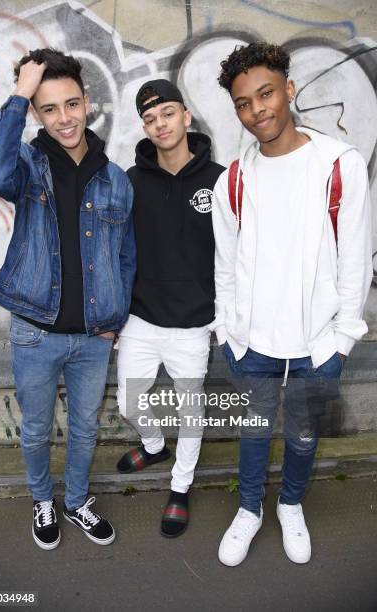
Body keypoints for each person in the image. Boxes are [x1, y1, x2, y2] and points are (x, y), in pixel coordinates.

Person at [212, 42, 372, 565]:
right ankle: (250, 509)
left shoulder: (339, 166)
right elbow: (226, 266)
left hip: (318, 344)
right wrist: (226, 333)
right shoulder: (231, 181)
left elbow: (354, 260)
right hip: (251, 342)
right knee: (254, 433)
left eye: (266, 93)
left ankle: (291, 504)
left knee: (304, 438)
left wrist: (342, 342)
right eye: (244, 102)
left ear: (289, 90)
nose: (258, 109)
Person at [0, 48, 135, 550]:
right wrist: (20, 92)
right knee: (38, 428)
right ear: (37, 114)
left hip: (92, 336)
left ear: (87, 103)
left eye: (71, 104)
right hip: (35, 330)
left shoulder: (115, 178)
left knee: (85, 430)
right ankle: (43, 499)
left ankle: (77, 501)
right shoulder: (26, 162)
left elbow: (125, 256)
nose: (63, 118)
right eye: (48, 108)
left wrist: (115, 317)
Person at [116, 79, 224, 537]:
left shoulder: (219, 180)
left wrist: (224, 316)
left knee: (190, 413)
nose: (159, 124)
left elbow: (235, 254)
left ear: (186, 117)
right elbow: (117, 250)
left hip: (193, 323)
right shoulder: (131, 180)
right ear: (144, 126)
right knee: (128, 403)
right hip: (141, 317)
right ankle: (154, 445)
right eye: (149, 118)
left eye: (167, 114)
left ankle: (180, 487)